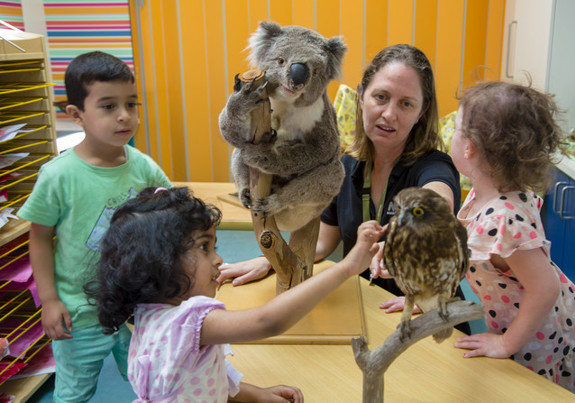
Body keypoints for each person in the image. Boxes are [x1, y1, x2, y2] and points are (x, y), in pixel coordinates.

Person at [218, 44, 469, 328]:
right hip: (367, 312)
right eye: (381, 97)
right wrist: (269, 261)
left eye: (406, 104)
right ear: (361, 96)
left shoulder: (434, 165)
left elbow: (438, 202)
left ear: (421, 111)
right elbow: (323, 244)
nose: (389, 114)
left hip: (430, 319)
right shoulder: (346, 168)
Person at [85, 186, 385, 402]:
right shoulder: (189, 321)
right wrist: (346, 267)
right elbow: (267, 321)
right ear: (159, 262)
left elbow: (203, 378)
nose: (217, 259)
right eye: (204, 247)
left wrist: (257, 395)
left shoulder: (148, 315)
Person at [17, 51, 172, 402]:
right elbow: (39, 239)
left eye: (132, 104)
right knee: (74, 393)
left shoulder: (144, 167)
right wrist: (50, 300)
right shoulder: (58, 176)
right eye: (108, 106)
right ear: (76, 115)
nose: (124, 116)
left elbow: (171, 212)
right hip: (79, 313)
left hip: (138, 308)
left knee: (150, 383)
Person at [449, 81, 575, 396]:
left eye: (455, 128)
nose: (451, 135)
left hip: (542, 333)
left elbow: (545, 289)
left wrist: (507, 343)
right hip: (536, 310)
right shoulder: (485, 192)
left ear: (470, 148)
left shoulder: (502, 220)